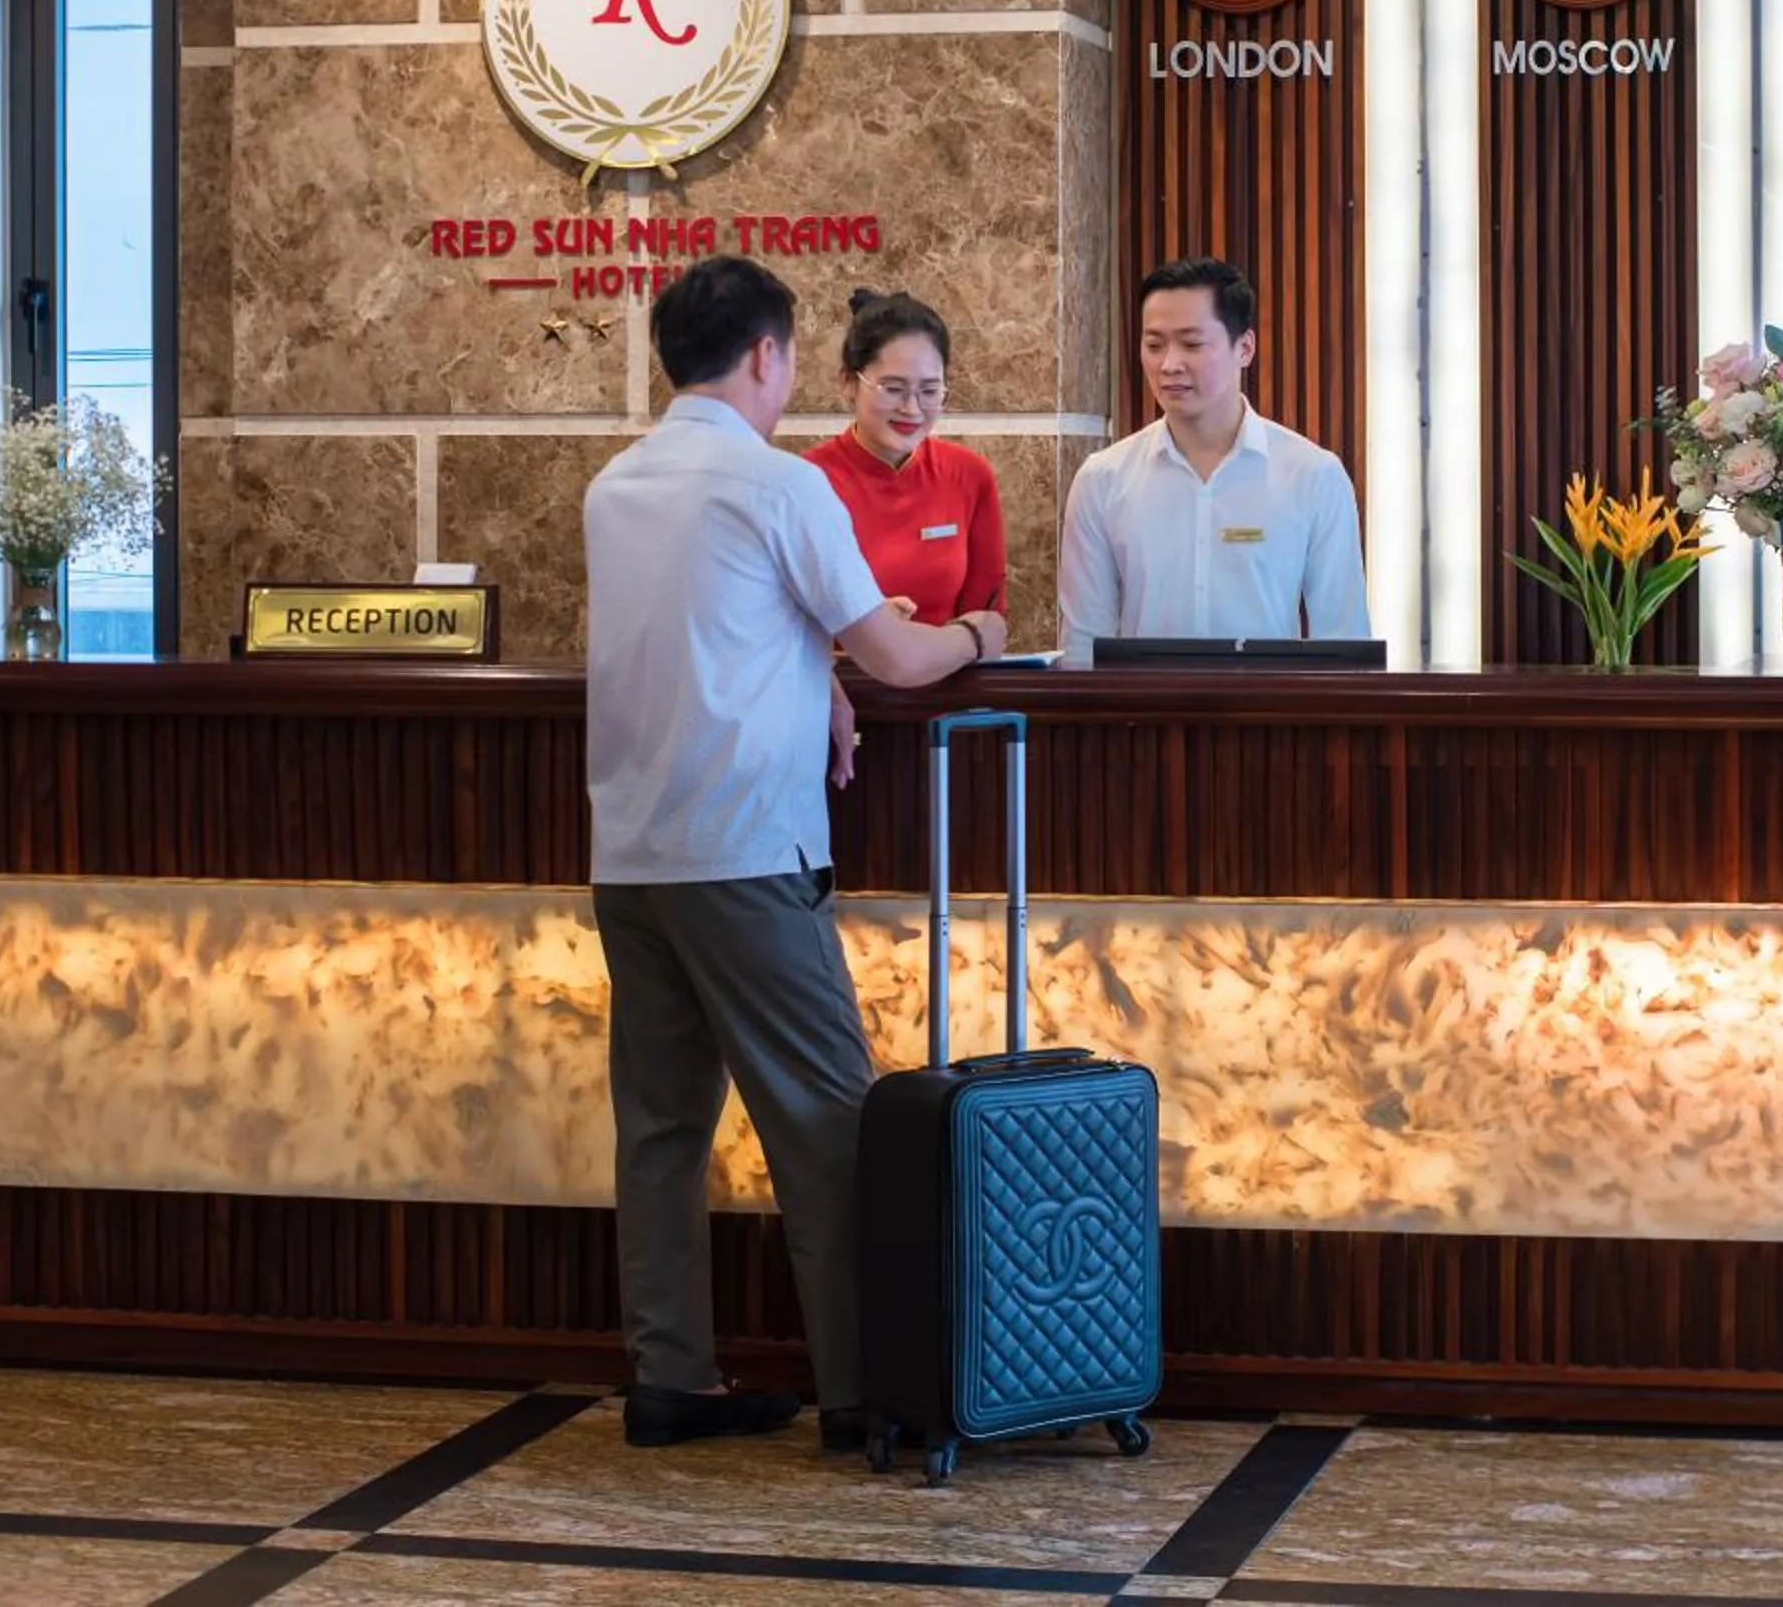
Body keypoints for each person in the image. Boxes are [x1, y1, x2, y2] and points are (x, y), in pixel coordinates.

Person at [584, 255, 1005, 1452]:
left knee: (661, 1128)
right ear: (769, 356)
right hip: (747, 848)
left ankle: (671, 1374)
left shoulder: (615, 485)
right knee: (826, 1124)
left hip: (632, 852)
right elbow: (902, 657)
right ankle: (865, 1390)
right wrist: (981, 625)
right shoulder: (778, 486)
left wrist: (810, 671)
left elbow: (711, 633)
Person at [1057, 256, 1371, 664]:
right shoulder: (1103, 479)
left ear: (1245, 347)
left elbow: (1344, 642)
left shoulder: (1313, 476)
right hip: (1141, 722)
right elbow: (1083, 645)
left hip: (1269, 721)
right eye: (1154, 345)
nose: (1169, 364)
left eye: (1191, 344)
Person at [804, 289, 1007, 629]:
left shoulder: (969, 475)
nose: (911, 409)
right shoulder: (808, 482)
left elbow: (988, 618)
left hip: (949, 675)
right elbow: (783, 628)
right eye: (893, 388)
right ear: (849, 382)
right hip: (836, 680)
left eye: (929, 391)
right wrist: (866, 628)